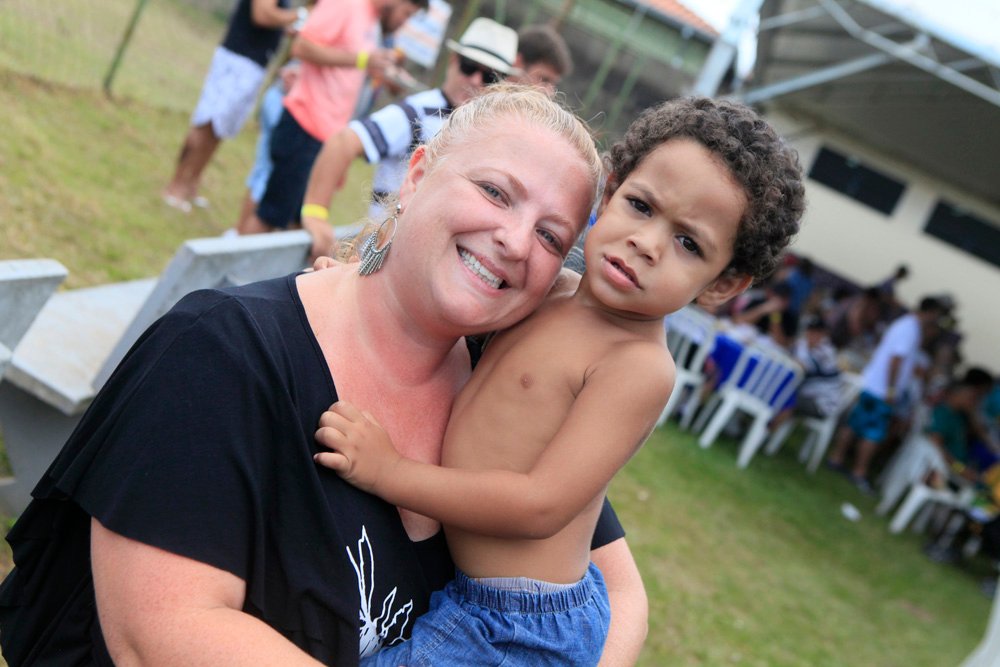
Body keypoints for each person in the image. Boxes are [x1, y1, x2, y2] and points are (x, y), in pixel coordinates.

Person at [0, 87, 647, 665]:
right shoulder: (220, 352)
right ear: (416, 175)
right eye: (495, 192)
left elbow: (619, 590)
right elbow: (162, 634)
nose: (515, 239)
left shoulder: (504, 386)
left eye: (551, 237)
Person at [313, 94, 806, 665]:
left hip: (517, 627)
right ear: (610, 191)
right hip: (473, 596)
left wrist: (391, 472)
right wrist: (361, 288)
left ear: (723, 284)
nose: (646, 244)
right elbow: (455, 299)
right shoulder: (551, 290)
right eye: (641, 206)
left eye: (688, 243)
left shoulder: (637, 366)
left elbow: (539, 505)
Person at [298, 19, 574, 259]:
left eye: (489, 75)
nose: (475, 80)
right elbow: (344, 142)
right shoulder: (421, 112)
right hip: (383, 255)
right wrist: (315, 212)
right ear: (453, 61)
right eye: (469, 66)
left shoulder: (487, 128)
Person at [238, 0, 426, 235]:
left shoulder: (370, 17)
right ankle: (235, 257)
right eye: (406, 13)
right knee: (269, 216)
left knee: (298, 223)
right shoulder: (345, 4)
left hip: (325, 137)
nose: (403, 22)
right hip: (304, 125)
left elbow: (347, 62)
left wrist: (377, 69)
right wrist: (362, 60)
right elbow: (301, 47)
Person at [162, 0, 307, 212]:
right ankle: (176, 187)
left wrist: (287, 27)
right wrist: (300, 14)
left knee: (219, 128)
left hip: (253, 62)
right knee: (208, 123)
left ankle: (191, 184)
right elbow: (262, 15)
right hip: (239, 60)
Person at [826, 296, 948, 493]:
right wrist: (891, 389)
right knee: (874, 432)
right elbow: (895, 360)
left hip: (873, 384)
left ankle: (836, 458)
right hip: (882, 390)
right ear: (931, 312)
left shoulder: (906, 324)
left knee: (855, 423)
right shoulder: (910, 329)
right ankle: (859, 472)